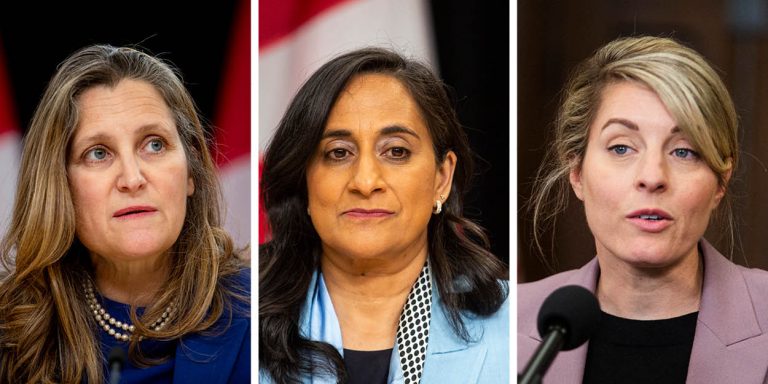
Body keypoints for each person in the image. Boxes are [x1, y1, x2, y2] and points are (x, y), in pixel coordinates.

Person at [519, 35, 768, 383]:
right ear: (576, 172)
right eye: (622, 148)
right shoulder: (507, 324)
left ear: (720, 182)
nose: (652, 177)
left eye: (684, 151)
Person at [0, 44, 250, 383]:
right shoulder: (11, 334)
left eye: (155, 144)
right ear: (60, 185)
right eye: (98, 153)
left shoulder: (262, 314)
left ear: (191, 169)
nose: (132, 179)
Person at [259, 47, 509, 383]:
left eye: (396, 151)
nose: (365, 182)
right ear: (304, 180)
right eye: (338, 153)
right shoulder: (242, 321)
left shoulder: (516, 328)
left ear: (442, 178)